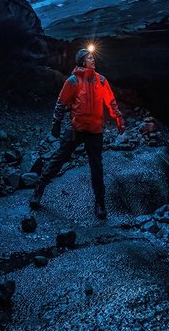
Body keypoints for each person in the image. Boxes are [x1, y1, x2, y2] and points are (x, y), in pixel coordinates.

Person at [29, 48, 124, 220]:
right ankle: (39, 190)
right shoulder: (73, 81)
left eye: (93, 57)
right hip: (76, 129)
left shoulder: (101, 81)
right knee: (59, 158)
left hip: (95, 131)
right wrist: (56, 124)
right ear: (81, 62)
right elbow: (61, 102)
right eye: (89, 58)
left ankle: (100, 203)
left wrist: (118, 119)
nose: (93, 60)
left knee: (97, 167)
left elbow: (110, 101)